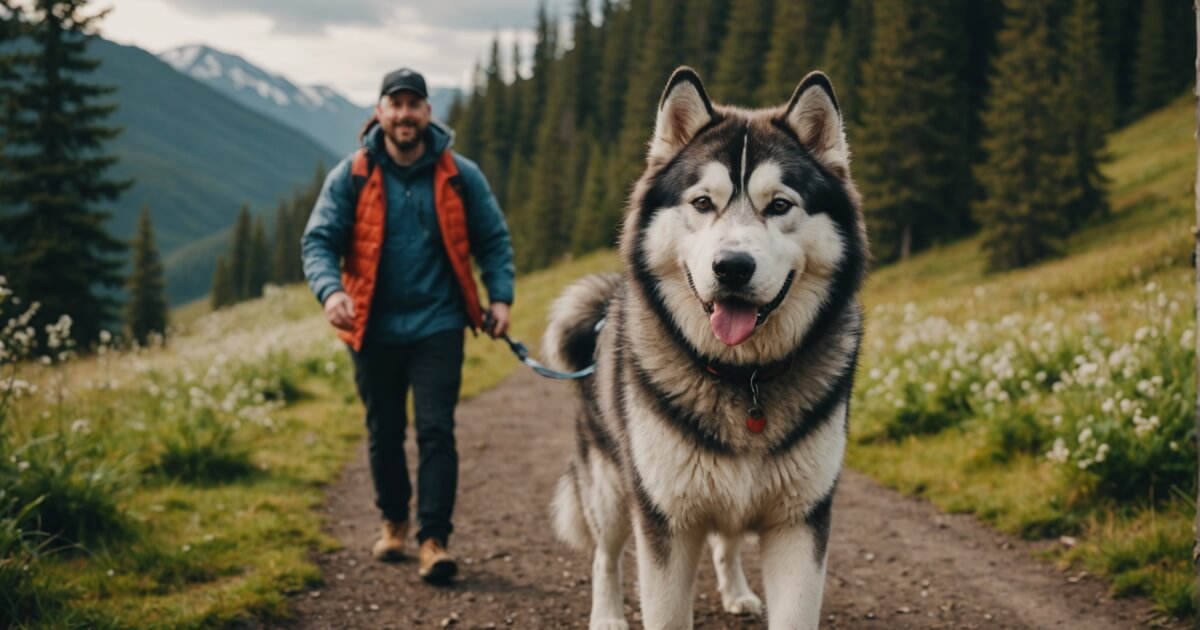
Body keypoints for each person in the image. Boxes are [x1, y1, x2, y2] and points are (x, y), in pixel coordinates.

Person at [301, 67, 514, 584]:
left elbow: (493, 240)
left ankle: (433, 540)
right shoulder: (352, 175)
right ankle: (393, 519)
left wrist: (501, 297)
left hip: (438, 324)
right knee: (385, 432)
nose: (403, 114)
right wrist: (331, 292)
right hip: (371, 326)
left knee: (437, 429)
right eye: (394, 105)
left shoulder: (460, 174)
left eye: (412, 104)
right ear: (379, 113)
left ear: (426, 113)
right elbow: (318, 242)